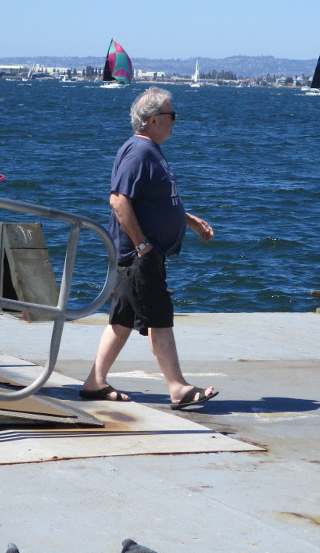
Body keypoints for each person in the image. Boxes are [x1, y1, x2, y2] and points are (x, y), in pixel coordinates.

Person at [81, 87, 218, 410]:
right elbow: (119, 201)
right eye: (172, 115)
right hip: (140, 255)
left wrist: (188, 220)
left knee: (122, 319)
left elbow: (153, 201)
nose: (175, 121)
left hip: (143, 253)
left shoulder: (150, 150)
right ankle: (178, 388)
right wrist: (142, 244)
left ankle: (94, 382)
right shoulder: (139, 152)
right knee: (159, 317)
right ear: (154, 119)